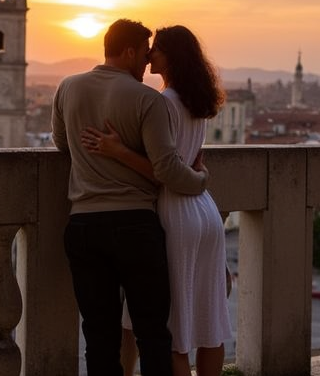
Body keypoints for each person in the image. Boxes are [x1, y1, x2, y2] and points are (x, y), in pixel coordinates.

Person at [51, 19, 210, 376]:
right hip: (135, 225)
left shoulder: (67, 87)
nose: (146, 63)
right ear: (127, 52)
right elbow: (167, 169)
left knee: (98, 335)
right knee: (152, 333)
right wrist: (200, 179)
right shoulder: (146, 100)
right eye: (143, 54)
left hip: (83, 225)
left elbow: (62, 143)